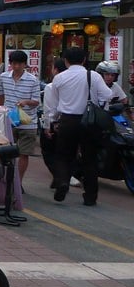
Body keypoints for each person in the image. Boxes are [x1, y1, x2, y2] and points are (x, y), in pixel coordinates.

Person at [50, 46, 112, 206]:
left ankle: (62, 182)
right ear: (84, 59)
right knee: (89, 158)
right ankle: (90, 196)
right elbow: (108, 95)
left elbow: (56, 104)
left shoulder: (59, 78)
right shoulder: (94, 76)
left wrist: (53, 121)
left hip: (67, 120)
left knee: (63, 155)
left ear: (65, 60)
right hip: (89, 121)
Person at [0, 51, 41, 185]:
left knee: (24, 153)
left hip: (28, 123)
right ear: (10, 64)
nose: (16, 67)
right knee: (6, 152)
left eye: (19, 64)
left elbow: (36, 101)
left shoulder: (33, 80)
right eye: (14, 63)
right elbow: (0, 95)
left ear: (24, 64)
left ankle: (18, 183)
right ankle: (7, 180)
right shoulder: (4, 77)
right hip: (9, 121)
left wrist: (26, 102)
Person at [40, 58, 69, 188]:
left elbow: (49, 109)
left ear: (55, 70)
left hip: (55, 123)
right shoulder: (73, 84)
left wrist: (47, 126)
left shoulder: (51, 87)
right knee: (64, 153)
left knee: (48, 152)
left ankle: (60, 178)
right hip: (71, 122)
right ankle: (59, 179)